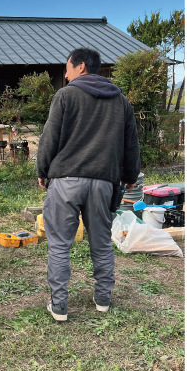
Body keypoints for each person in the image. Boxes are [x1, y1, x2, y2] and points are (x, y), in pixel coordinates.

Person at [36, 47, 141, 322]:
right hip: (104, 181)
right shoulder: (121, 102)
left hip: (66, 180)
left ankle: (59, 306)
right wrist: (130, 176)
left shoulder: (65, 96)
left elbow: (50, 137)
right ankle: (103, 300)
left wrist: (42, 169)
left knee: (60, 244)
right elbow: (131, 144)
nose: (66, 73)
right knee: (102, 243)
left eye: (67, 67)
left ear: (81, 67)